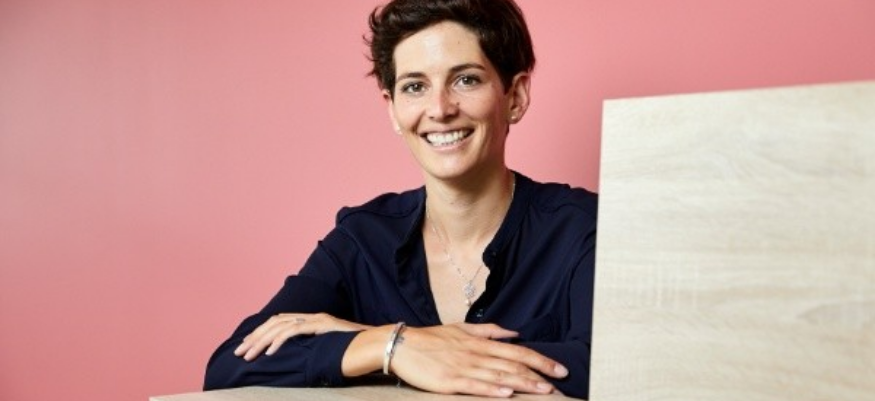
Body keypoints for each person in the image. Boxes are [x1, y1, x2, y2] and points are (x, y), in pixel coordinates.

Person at [203, 0, 597, 398]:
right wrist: (391, 345)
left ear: (515, 96)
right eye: (414, 87)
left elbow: (605, 368)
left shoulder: (585, 229)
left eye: (466, 80)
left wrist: (383, 341)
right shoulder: (362, 239)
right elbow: (232, 366)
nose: (439, 109)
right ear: (392, 109)